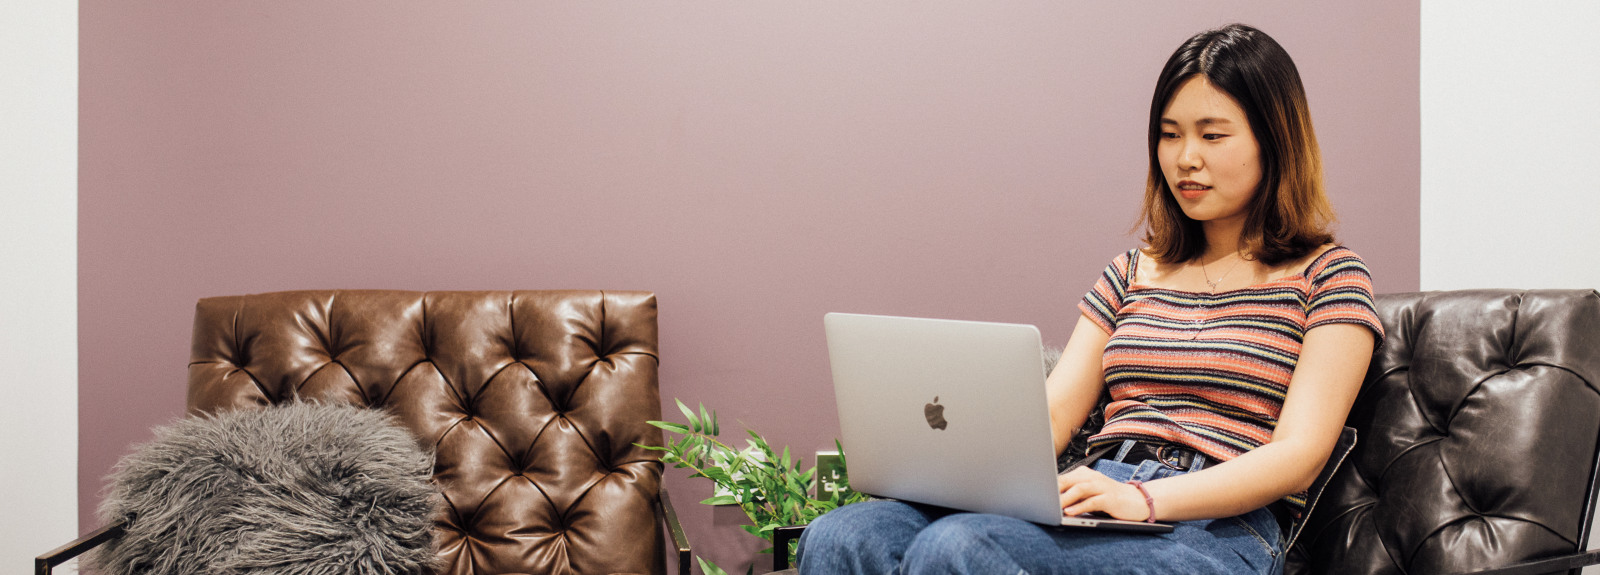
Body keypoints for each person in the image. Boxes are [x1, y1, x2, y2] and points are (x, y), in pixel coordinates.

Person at [795, 23, 1383, 575]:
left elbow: (1298, 455)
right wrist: (959, 468)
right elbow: (1051, 416)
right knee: (841, 536)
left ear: (1274, 142)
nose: (1185, 158)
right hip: (1097, 486)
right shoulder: (1131, 272)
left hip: (1219, 526)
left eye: (1212, 135)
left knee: (961, 548)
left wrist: (1146, 498)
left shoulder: (1330, 276)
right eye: (1170, 134)